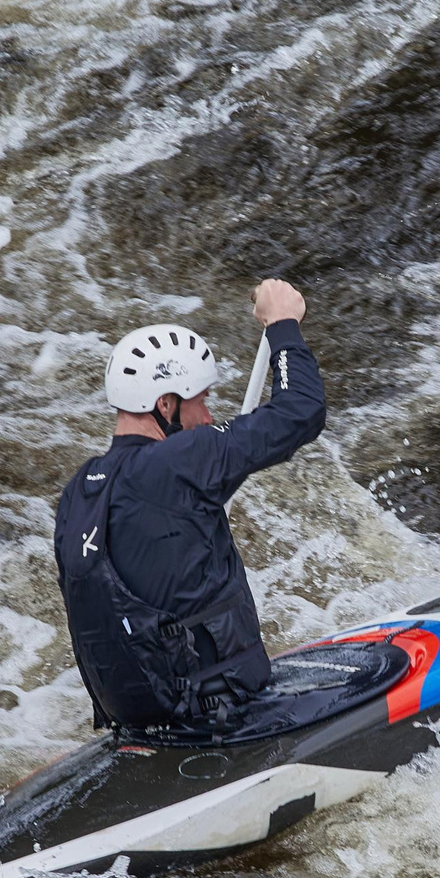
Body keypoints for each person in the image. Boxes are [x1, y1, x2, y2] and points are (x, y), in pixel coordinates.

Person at [54, 277, 325, 733]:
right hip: (221, 716)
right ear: (165, 404)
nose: (206, 418)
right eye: (200, 402)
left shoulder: (81, 489)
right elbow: (301, 410)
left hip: (142, 717)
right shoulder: (181, 460)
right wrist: (282, 325)